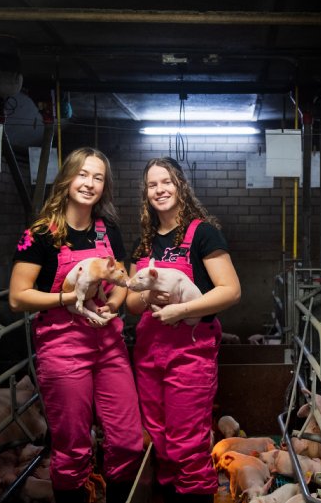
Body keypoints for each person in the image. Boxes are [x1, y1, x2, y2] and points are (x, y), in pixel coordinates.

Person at [8, 147, 144, 503]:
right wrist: (68, 300)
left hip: (109, 344)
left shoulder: (108, 229)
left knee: (129, 440)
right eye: (83, 174)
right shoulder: (40, 233)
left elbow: (121, 276)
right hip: (62, 347)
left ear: (105, 186)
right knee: (72, 448)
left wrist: (114, 305)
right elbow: (17, 296)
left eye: (98, 177)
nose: (90, 183)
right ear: (67, 177)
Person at [125, 156, 241, 502]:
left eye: (167, 182)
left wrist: (181, 309)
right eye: (152, 184)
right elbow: (131, 305)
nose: (160, 190)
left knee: (186, 445)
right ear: (146, 193)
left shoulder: (202, 233)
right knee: (159, 440)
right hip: (148, 353)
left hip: (189, 353)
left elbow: (230, 290)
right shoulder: (145, 243)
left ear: (181, 186)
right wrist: (149, 294)